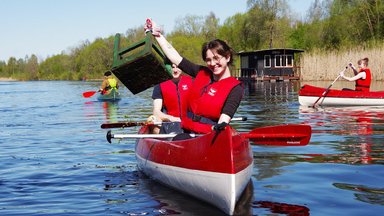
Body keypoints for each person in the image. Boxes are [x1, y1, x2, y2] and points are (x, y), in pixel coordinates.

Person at [144, 19, 243, 134]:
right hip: (184, 127)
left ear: (227, 57)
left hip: (207, 132)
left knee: (182, 138)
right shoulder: (201, 72)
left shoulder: (235, 88)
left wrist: (219, 128)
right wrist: (157, 35)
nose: (212, 63)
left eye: (216, 58)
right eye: (208, 60)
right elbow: (174, 56)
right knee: (173, 135)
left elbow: (224, 119)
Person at [150, 64, 192, 134]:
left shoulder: (192, 82)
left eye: (178, 67)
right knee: (153, 119)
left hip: (190, 122)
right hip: (169, 123)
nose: (175, 70)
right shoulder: (159, 85)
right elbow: (156, 112)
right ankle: (160, 141)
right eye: (172, 67)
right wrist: (172, 118)